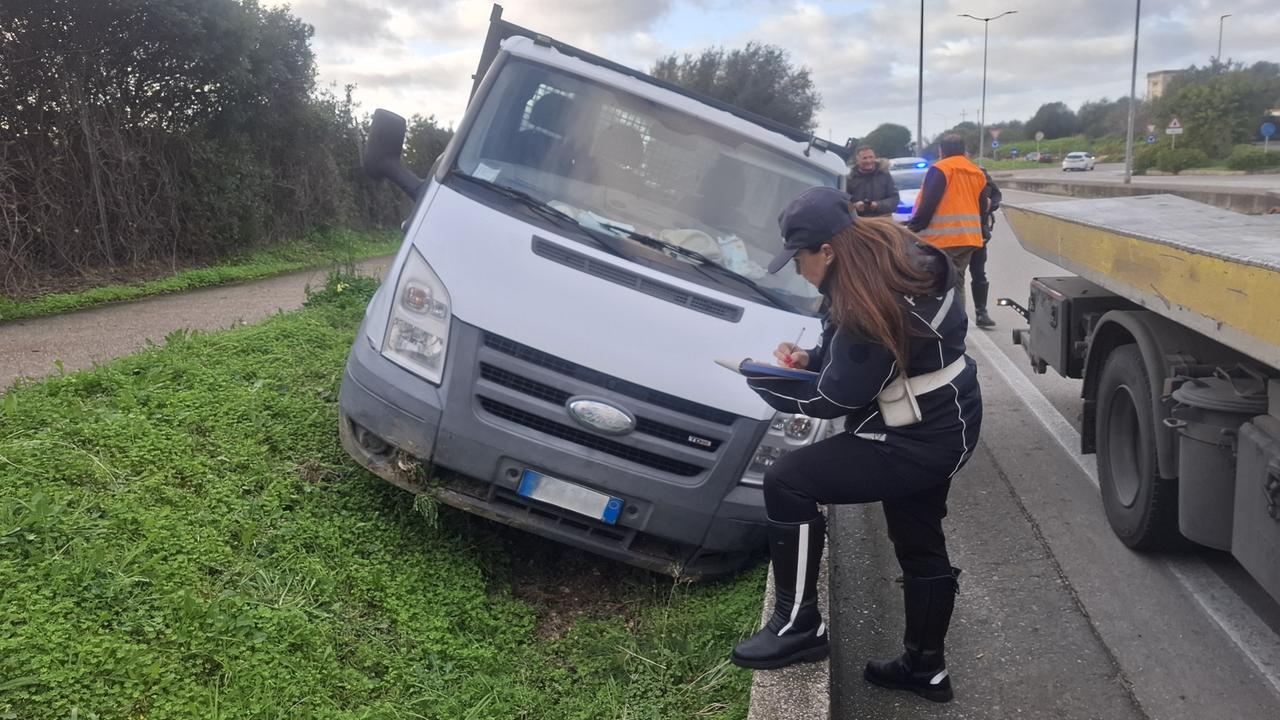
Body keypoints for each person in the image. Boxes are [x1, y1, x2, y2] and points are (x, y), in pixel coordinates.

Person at [728, 187, 982, 705]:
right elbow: (852, 352)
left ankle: (797, 626)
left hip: (916, 436)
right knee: (917, 535)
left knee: (788, 480)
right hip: (946, 420)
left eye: (799, 258)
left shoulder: (872, 302)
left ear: (829, 250)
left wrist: (763, 377)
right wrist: (810, 355)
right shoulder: (892, 255)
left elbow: (835, 396)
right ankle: (925, 669)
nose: (798, 270)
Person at [907, 134, 987, 313]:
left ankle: (943, 326)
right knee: (957, 283)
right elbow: (982, 206)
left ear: (941, 151)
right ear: (963, 150)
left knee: (937, 286)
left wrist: (912, 229)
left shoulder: (941, 168)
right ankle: (958, 324)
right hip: (969, 239)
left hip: (943, 239)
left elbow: (929, 203)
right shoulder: (976, 171)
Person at [969, 169, 1003, 328]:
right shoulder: (946, 172)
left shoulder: (979, 173)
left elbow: (996, 195)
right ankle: (952, 316)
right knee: (953, 277)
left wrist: (990, 204)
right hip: (953, 236)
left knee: (979, 273)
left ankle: (981, 312)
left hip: (978, 233)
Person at [846, 146, 900, 217]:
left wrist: (877, 205)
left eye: (871, 157)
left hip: (884, 220)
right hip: (859, 221)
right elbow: (843, 201)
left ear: (875, 157)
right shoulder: (850, 178)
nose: (868, 161)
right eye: (864, 158)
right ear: (858, 160)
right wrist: (854, 206)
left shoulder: (884, 174)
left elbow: (894, 199)